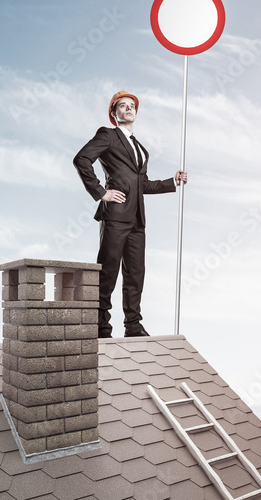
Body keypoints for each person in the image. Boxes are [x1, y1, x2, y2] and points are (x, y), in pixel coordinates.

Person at [73, 90, 187, 338]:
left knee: (135, 274)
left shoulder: (139, 148)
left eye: (131, 105)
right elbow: (81, 159)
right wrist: (101, 192)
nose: (128, 108)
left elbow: (142, 184)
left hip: (137, 218)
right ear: (114, 114)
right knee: (108, 271)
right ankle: (101, 326)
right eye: (122, 106)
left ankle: (133, 325)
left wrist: (172, 182)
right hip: (114, 215)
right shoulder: (108, 135)